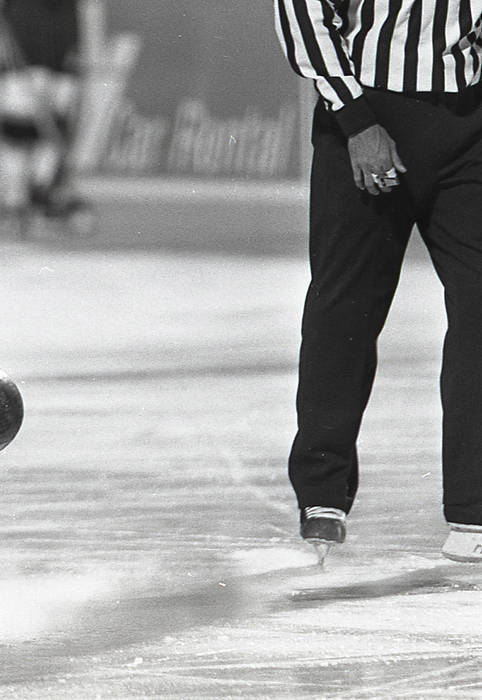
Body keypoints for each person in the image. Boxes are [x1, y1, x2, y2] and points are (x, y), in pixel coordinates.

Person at [274, 0, 482, 561]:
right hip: (367, 114)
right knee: (346, 309)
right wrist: (357, 120)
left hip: (469, 122)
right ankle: (322, 496)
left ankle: (474, 511)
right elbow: (303, 13)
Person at [0, 0, 93, 236]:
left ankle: (40, 198)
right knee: (19, 129)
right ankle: (13, 202)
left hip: (61, 52)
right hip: (22, 49)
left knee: (54, 131)